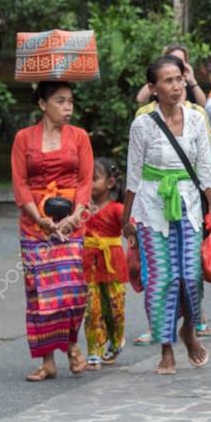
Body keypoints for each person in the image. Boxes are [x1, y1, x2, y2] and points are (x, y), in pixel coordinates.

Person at [123, 54, 211, 375]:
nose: (176, 86)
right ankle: (165, 349)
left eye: (179, 79)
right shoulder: (142, 124)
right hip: (151, 209)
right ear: (153, 88)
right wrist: (127, 219)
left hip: (189, 207)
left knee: (191, 277)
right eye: (168, 81)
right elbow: (133, 175)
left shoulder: (196, 119)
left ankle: (188, 331)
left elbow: (205, 167)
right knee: (162, 279)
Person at [11, 81, 93, 381]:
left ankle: (71, 346)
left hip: (71, 224)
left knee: (71, 291)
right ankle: (48, 361)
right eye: (61, 101)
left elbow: (85, 182)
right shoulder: (23, 138)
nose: (68, 107)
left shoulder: (80, 137)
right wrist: (39, 218)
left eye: (71, 101)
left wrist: (74, 217)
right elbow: (20, 183)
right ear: (43, 104)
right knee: (39, 294)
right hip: (35, 226)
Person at [82, 158, 128, 369]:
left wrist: (136, 243)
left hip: (113, 262)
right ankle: (94, 350)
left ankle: (116, 340)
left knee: (115, 308)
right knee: (92, 309)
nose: (89, 183)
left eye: (94, 179)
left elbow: (130, 230)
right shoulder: (82, 210)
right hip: (89, 262)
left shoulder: (118, 209)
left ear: (109, 183)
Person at [135, 44, 207, 107]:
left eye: (181, 60)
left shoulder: (190, 83)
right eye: (172, 59)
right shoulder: (159, 82)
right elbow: (141, 99)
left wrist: (192, 80)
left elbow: (203, 105)